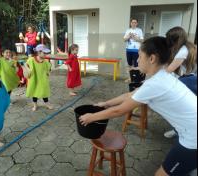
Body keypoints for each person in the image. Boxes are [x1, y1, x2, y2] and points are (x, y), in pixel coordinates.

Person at [80, 36, 197, 176]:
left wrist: (91, 117)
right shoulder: (163, 77)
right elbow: (131, 95)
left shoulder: (155, 84)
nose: (137, 60)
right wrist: (105, 103)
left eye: (140, 56)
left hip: (193, 138)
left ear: (152, 59)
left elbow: (119, 111)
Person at [164, 26, 197, 138]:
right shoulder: (186, 46)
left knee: (180, 109)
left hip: (189, 82)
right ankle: (178, 129)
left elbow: (168, 70)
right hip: (188, 80)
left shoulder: (183, 51)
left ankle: (181, 132)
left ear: (175, 40)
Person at [25, 44, 53, 111]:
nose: (45, 54)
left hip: (42, 80)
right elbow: (26, 64)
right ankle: (35, 105)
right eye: (44, 53)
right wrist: (27, 70)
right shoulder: (31, 60)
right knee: (35, 93)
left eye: (46, 53)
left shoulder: (45, 61)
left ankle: (47, 103)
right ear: (39, 52)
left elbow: (48, 68)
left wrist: (48, 72)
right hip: (34, 79)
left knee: (44, 92)